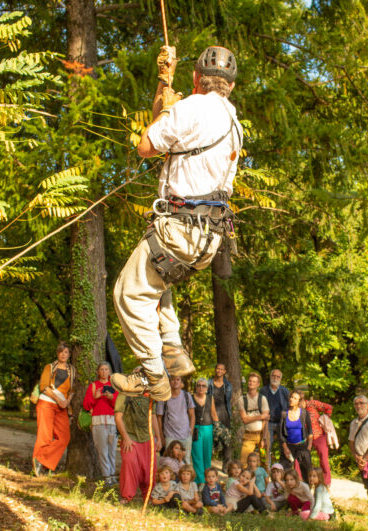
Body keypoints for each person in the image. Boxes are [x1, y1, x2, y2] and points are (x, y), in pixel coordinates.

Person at [110, 44, 242, 401]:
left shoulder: (189, 109)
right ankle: (173, 349)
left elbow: (146, 145)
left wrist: (165, 90)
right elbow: (166, 134)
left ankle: (153, 377)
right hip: (208, 239)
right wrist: (163, 88)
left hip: (180, 229)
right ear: (230, 86)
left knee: (128, 292)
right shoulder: (234, 123)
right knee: (157, 282)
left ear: (196, 78)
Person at [33, 341, 75, 476]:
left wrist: (67, 402)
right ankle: (40, 468)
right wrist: (58, 400)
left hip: (62, 407)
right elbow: (44, 387)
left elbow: (72, 390)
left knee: (64, 437)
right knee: (44, 435)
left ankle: (42, 460)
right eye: (61, 351)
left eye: (66, 352)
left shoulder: (72, 370)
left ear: (69, 355)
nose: (64, 354)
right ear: (58, 353)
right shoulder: (49, 367)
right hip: (47, 403)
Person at [114, 390, 161, 504]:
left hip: (148, 437)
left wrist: (158, 437)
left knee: (149, 469)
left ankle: (148, 497)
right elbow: (118, 417)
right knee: (129, 462)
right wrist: (125, 437)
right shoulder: (125, 394)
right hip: (130, 437)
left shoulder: (150, 395)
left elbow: (153, 416)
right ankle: (126, 496)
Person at [82, 362, 119, 485]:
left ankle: (113, 475)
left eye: (106, 369)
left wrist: (111, 398)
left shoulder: (114, 385)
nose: (104, 372)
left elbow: (119, 405)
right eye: (101, 369)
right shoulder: (94, 386)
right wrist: (96, 397)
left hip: (112, 421)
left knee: (112, 450)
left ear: (109, 372)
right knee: (102, 450)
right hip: (98, 422)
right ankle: (106, 476)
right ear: (98, 372)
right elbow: (86, 405)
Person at [156, 376, 195, 463]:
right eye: (173, 379)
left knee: (186, 462)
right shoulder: (164, 397)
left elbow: (192, 415)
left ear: (181, 382)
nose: (175, 382)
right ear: (169, 382)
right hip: (170, 436)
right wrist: (161, 436)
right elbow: (159, 417)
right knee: (170, 462)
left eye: (178, 379)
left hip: (186, 435)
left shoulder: (186, 396)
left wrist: (190, 431)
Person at [300, 393, 334, 486]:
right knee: (300, 458)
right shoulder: (295, 410)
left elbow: (329, 407)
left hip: (319, 435)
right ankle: (302, 481)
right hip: (305, 438)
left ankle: (326, 482)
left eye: (300, 400)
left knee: (323, 458)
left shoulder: (312, 404)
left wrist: (325, 419)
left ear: (303, 399)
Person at [280, 389, 313, 480]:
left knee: (306, 473)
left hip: (302, 446)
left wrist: (308, 448)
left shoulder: (304, 413)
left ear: (299, 401)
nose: (292, 399)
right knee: (285, 473)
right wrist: (285, 448)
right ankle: (287, 493)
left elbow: (310, 431)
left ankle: (307, 492)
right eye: (291, 397)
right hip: (289, 446)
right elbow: (281, 434)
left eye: (295, 398)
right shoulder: (284, 413)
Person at [261, 369, 290, 468]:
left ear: (280, 379)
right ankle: (267, 470)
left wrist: (285, 412)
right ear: (270, 377)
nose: (275, 378)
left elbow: (290, 406)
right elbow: (259, 405)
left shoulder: (285, 391)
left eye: (278, 376)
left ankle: (282, 470)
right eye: (273, 376)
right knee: (267, 446)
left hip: (282, 424)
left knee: (284, 447)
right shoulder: (264, 390)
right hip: (268, 423)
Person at [239, 372, 269, 464]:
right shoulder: (242, 399)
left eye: (254, 381)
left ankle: (265, 478)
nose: (251, 383)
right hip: (248, 435)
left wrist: (264, 438)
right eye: (250, 381)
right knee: (243, 462)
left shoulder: (262, 399)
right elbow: (244, 419)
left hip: (262, 435)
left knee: (264, 461)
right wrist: (260, 416)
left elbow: (266, 419)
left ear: (258, 384)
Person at [191, 377, 217, 484]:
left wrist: (218, 430)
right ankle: (200, 482)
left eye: (203, 386)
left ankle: (209, 481)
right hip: (195, 428)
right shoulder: (191, 397)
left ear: (207, 388)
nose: (201, 388)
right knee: (197, 456)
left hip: (208, 428)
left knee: (207, 456)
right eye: (199, 385)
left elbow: (214, 414)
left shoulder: (210, 398)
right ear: (196, 387)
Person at [208, 363, 234, 466]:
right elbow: (207, 398)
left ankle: (226, 466)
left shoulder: (228, 385)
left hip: (224, 412)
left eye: (221, 369)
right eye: (217, 369)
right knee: (210, 438)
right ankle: (208, 464)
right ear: (215, 370)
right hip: (211, 413)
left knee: (226, 439)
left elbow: (228, 400)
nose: (219, 371)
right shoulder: (209, 382)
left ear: (224, 371)